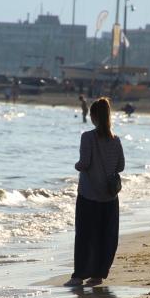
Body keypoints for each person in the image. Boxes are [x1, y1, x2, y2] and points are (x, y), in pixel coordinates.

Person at [65, 98, 125, 287]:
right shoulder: (116, 140)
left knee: (84, 235)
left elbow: (84, 164)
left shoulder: (87, 137)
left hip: (89, 194)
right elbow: (121, 166)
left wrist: (76, 165)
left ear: (93, 116)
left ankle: (78, 276)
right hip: (109, 196)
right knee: (105, 236)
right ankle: (98, 275)